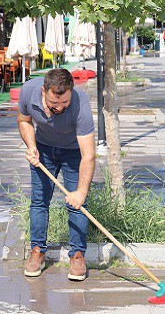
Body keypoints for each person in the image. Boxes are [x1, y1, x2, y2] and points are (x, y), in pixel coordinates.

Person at [17, 68, 95, 281]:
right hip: (43, 149)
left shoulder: (81, 105)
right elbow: (24, 121)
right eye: (54, 103)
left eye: (65, 103)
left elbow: (88, 155)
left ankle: (77, 254)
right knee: (39, 201)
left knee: (78, 203)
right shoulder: (28, 91)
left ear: (71, 91)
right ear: (43, 91)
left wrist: (80, 191)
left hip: (73, 152)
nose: (59, 107)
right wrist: (31, 146)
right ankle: (37, 251)